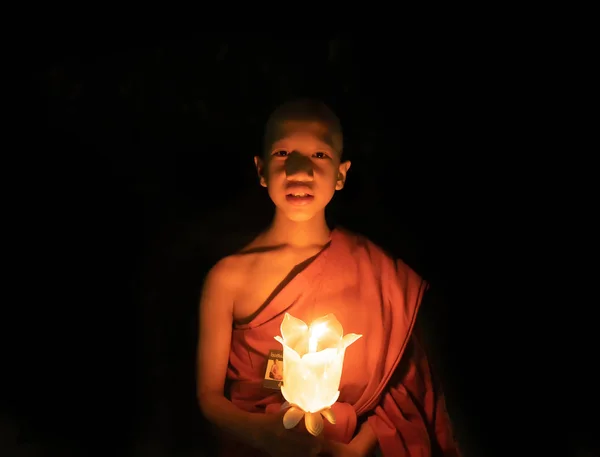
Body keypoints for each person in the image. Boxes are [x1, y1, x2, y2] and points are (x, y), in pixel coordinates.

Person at [196, 99, 461, 457]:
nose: (300, 170)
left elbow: (399, 387)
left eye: (319, 155)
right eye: (283, 152)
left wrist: (355, 450)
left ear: (341, 174)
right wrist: (263, 434)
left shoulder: (373, 269)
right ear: (261, 170)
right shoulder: (227, 278)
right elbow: (209, 398)